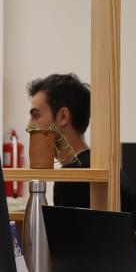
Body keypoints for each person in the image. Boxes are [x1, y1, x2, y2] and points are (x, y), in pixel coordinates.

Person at [27, 73, 91, 208]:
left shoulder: (70, 180)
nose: (28, 127)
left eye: (36, 115)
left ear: (62, 116)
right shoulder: (98, 165)